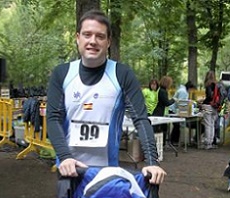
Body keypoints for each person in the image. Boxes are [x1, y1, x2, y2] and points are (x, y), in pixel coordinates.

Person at [46, 10, 166, 186]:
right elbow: (53, 118)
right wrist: (64, 157)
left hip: (106, 172)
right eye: (87, 34)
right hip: (69, 169)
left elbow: (140, 119)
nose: (93, 41)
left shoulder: (122, 74)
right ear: (77, 37)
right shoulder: (62, 73)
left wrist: (152, 163)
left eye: (100, 36)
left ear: (108, 42)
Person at [170, 80, 195, 145]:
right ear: (189, 88)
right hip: (174, 110)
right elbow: (181, 103)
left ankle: (174, 141)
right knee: (176, 126)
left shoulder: (182, 90)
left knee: (176, 126)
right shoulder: (183, 92)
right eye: (191, 90)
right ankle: (174, 141)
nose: (191, 91)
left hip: (175, 110)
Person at [201, 70, 219, 150]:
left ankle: (207, 142)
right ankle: (211, 141)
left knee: (207, 125)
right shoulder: (216, 85)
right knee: (212, 124)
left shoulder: (208, 85)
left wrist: (203, 102)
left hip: (208, 106)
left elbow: (209, 97)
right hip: (215, 106)